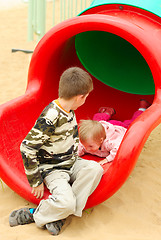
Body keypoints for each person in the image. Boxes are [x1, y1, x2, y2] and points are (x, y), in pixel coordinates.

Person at [9, 67, 103, 235]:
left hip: (71, 163)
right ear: (79, 97)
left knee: (95, 169)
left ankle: (59, 214)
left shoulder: (68, 110)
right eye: (86, 96)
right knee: (66, 202)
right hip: (53, 169)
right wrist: (35, 180)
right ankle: (34, 214)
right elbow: (27, 147)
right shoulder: (51, 117)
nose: (86, 99)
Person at [78, 99, 151, 165]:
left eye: (90, 146)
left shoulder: (110, 142)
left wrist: (107, 159)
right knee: (96, 122)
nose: (87, 149)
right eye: (85, 145)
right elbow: (79, 147)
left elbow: (118, 149)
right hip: (102, 127)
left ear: (100, 141)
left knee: (133, 125)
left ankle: (142, 108)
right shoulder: (87, 142)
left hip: (119, 127)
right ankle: (107, 112)